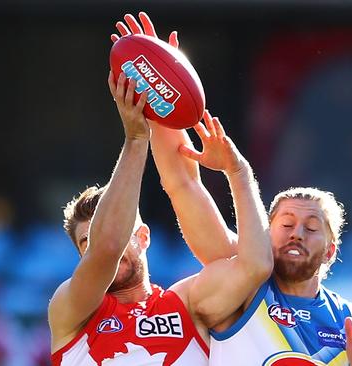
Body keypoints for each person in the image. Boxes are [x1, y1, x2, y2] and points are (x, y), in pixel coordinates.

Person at [122, 12, 352, 366]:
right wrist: (159, 95)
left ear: (331, 251)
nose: (296, 234)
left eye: (311, 227)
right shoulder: (242, 286)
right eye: (285, 224)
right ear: (265, 235)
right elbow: (183, 185)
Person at [48, 22, 273, 365]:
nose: (98, 245)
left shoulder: (187, 304)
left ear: (143, 236)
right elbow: (106, 248)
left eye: (125, 233)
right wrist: (136, 140)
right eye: (85, 244)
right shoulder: (71, 311)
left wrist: (160, 98)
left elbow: (253, 264)